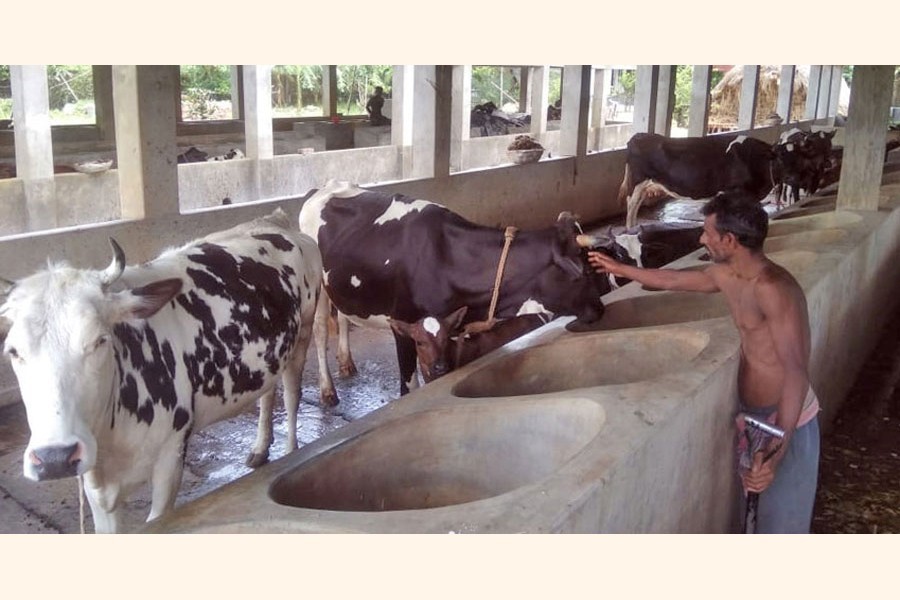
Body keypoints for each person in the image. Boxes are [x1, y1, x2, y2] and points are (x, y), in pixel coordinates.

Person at [587, 192, 820, 533]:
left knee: (783, 522)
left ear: (729, 240)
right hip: (754, 416)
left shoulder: (773, 288)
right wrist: (620, 268)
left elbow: (796, 372)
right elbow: (673, 280)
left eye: (708, 233)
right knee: (754, 515)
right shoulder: (726, 275)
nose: (701, 239)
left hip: (786, 420)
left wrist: (776, 450)